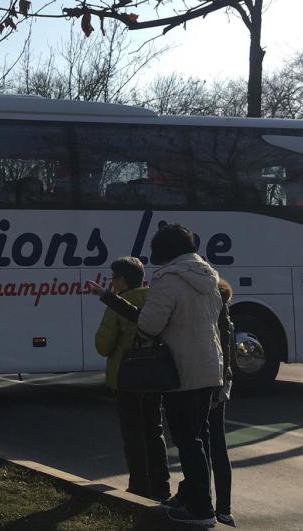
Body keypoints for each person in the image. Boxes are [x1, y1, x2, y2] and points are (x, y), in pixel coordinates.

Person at [93, 224, 224, 527]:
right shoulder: (209, 276)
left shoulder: (167, 280)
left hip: (181, 369)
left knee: (187, 440)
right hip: (208, 366)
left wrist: (114, 302)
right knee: (198, 437)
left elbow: (149, 326)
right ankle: (191, 496)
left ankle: (201, 509)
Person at [90, 256, 170, 501]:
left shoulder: (119, 304)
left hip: (127, 379)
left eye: (113, 278)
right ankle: (162, 485)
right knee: (155, 431)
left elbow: (103, 345)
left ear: (122, 280)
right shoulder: (154, 301)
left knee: (133, 434)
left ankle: (138, 485)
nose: (112, 283)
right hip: (155, 377)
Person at [207, 278, 237, 527]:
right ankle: (224, 508)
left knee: (205, 445)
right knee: (217, 445)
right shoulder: (224, 313)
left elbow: (221, 352)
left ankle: (207, 503)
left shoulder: (213, 314)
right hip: (221, 383)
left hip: (212, 384)